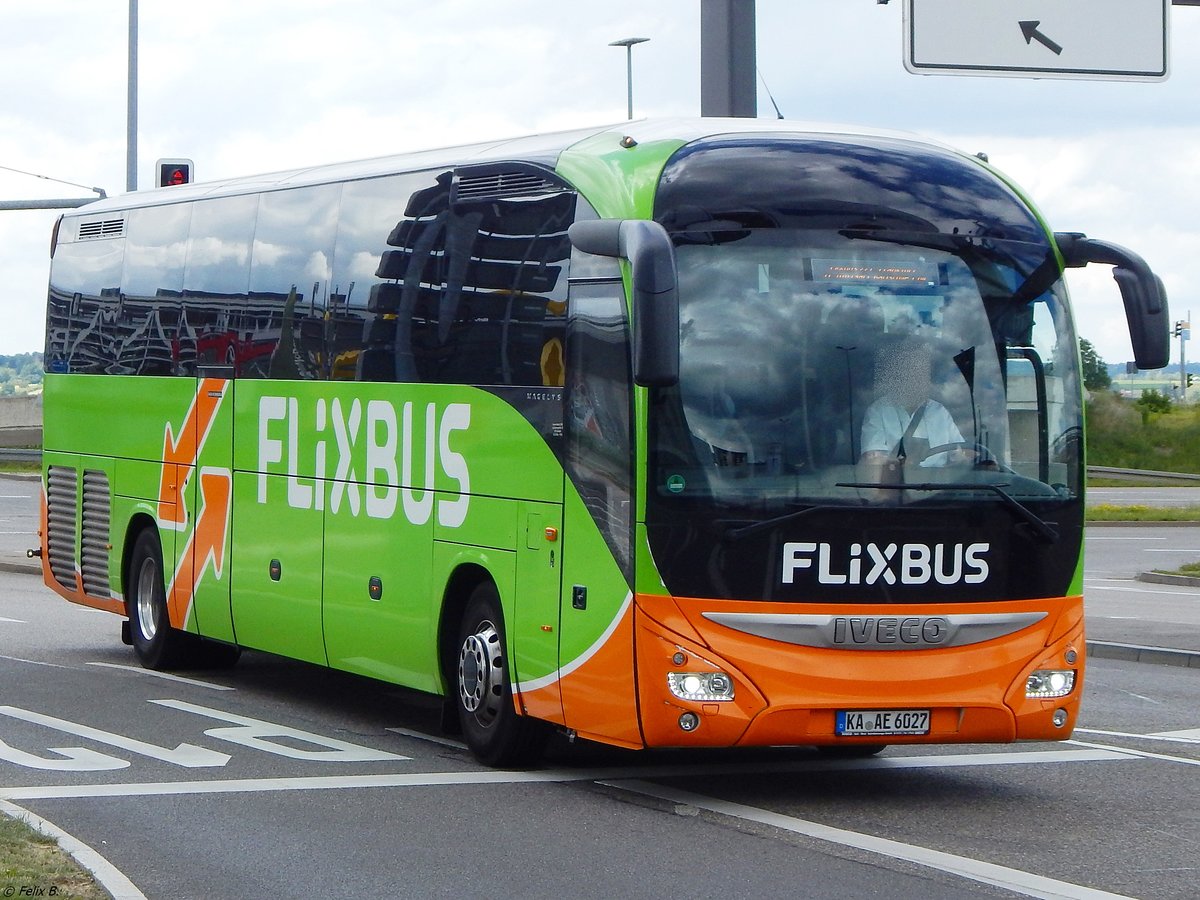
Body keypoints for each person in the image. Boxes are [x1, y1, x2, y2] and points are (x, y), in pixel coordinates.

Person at [859, 341, 968, 468]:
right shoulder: (878, 411)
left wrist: (965, 459)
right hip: (897, 483)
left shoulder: (939, 411)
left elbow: (961, 449)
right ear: (898, 377)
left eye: (922, 374)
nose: (916, 379)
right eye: (910, 373)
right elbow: (872, 461)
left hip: (941, 484)